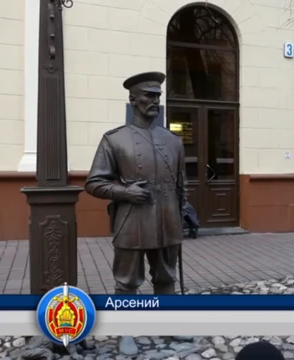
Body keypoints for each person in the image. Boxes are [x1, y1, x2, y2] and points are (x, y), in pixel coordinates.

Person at [85, 71, 187, 355]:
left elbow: (182, 185)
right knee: (127, 280)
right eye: (148, 95)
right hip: (132, 219)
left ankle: (167, 323)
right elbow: (93, 182)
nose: (155, 100)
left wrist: (184, 214)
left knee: (166, 276)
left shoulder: (173, 141)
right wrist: (124, 192)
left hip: (167, 218)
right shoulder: (114, 140)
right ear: (133, 99)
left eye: (157, 95)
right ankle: (125, 331)